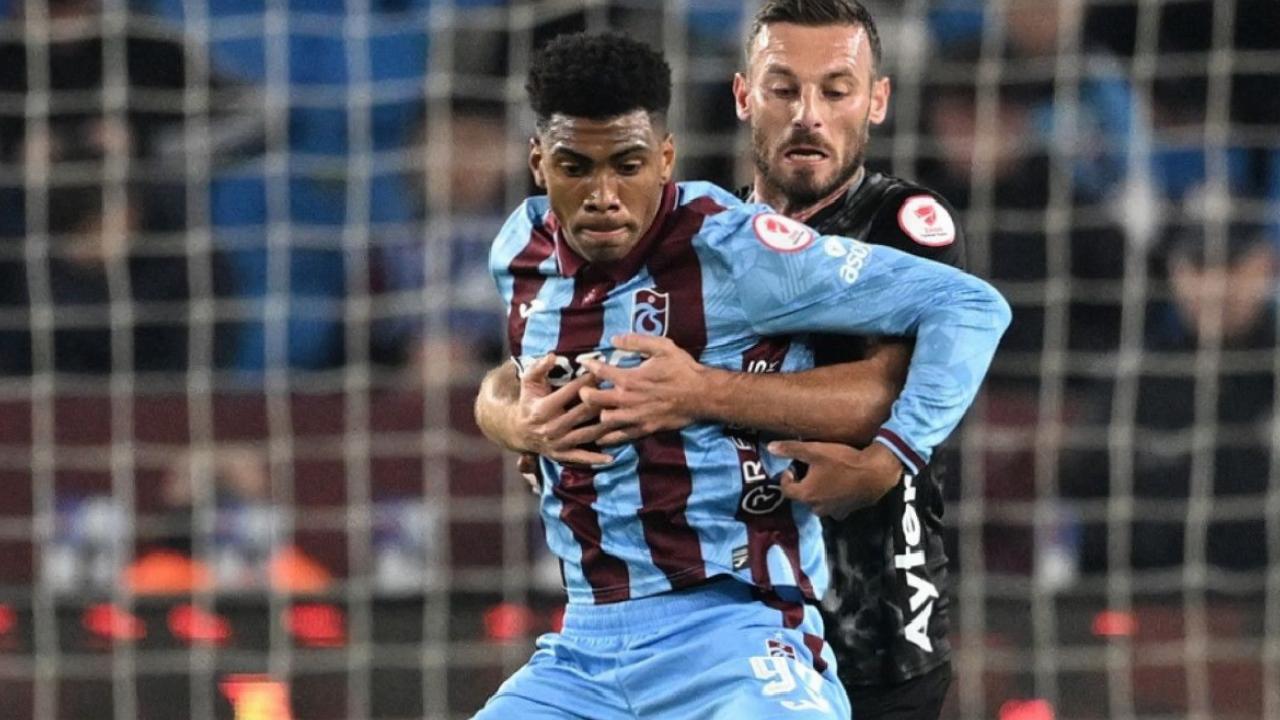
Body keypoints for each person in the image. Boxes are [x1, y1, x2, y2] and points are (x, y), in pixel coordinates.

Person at [473, 31, 1009, 719]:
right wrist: (515, 420)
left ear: (665, 159)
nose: (603, 195)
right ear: (538, 162)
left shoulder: (733, 247)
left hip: (734, 631)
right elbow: (519, 376)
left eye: (628, 166)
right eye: (575, 167)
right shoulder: (520, 249)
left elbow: (969, 306)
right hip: (583, 648)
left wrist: (893, 452)